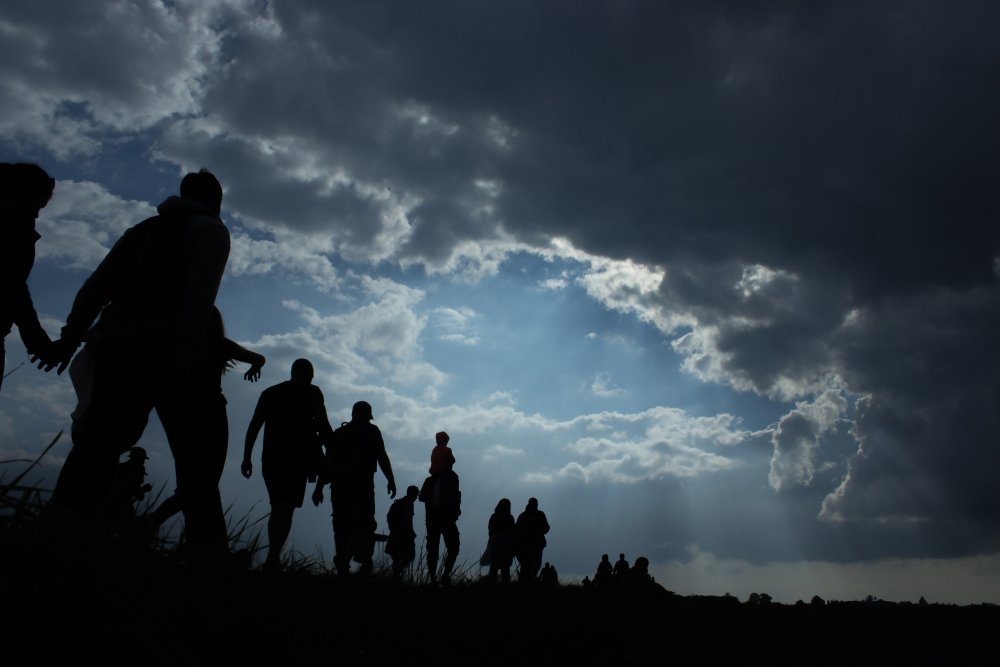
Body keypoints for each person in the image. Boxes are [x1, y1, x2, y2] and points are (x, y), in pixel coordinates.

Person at [41, 169, 230, 559]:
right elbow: (200, 297)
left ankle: (61, 530)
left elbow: (98, 284)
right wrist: (185, 352)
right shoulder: (210, 231)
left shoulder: (144, 229)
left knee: (99, 442)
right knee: (196, 457)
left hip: (117, 342)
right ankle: (207, 551)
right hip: (166, 350)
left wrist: (71, 336)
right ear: (216, 200)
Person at [151, 306, 264, 531]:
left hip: (177, 412)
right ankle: (155, 525)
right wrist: (254, 367)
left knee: (190, 481)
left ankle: (156, 525)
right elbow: (258, 358)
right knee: (206, 481)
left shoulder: (177, 342)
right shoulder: (219, 344)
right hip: (210, 411)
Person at [243, 358, 333, 571]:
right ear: (309, 375)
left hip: (271, 458)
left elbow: (254, 425)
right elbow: (323, 423)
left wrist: (247, 457)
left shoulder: (270, 393)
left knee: (278, 506)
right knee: (285, 507)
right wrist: (332, 450)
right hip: (297, 459)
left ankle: (272, 557)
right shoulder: (312, 392)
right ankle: (273, 557)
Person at [311, 400, 396, 576]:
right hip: (361, 484)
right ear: (366, 414)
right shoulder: (372, 431)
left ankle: (343, 565)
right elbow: (381, 456)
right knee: (365, 525)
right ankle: (344, 559)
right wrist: (391, 480)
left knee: (341, 526)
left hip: (339, 486)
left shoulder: (340, 433)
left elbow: (328, 463)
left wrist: (319, 488)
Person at [1, 162, 55, 392]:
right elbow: (11, 285)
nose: (36, 213)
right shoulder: (13, 224)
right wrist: (37, 341)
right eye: (38, 205)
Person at [419, 465, 461, 585]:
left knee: (435, 549)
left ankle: (437, 579)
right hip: (444, 519)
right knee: (450, 548)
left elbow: (421, 497)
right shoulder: (452, 477)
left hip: (436, 519)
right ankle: (441, 578)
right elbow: (456, 495)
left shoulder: (433, 480)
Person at [385, 484, 419, 579]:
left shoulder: (399, 502)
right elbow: (407, 521)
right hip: (403, 535)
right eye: (415, 495)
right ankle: (396, 575)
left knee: (396, 558)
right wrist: (410, 533)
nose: (416, 497)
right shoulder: (408, 504)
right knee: (409, 556)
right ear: (412, 494)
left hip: (395, 533)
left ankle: (395, 576)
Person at [514, 497, 549, 583]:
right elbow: (546, 528)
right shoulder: (538, 514)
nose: (535, 506)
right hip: (530, 545)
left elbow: (546, 528)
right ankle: (527, 583)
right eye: (535, 504)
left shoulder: (523, 515)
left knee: (528, 566)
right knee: (531, 566)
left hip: (530, 545)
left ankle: (524, 583)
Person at [484, 497, 515, 583]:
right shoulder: (510, 517)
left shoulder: (494, 516)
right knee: (505, 566)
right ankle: (505, 585)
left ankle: (492, 585)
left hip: (495, 541)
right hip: (506, 543)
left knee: (494, 565)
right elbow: (513, 531)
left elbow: (490, 530)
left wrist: (491, 540)